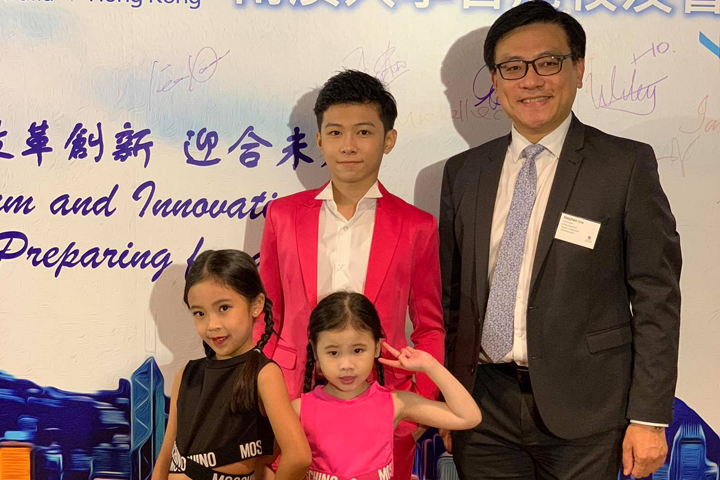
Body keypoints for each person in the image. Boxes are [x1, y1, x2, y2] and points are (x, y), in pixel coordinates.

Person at [439, 2, 682, 479]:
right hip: (481, 409)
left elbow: (657, 296)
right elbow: (451, 298)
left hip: (587, 410)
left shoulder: (624, 166)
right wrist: (449, 397)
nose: (531, 81)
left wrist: (649, 416)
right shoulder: (465, 172)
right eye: (513, 67)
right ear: (496, 81)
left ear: (579, 69)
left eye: (548, 63)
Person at [254, 69, 445, 479]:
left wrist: (417, 407)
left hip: (383, 398)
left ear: (388, 139)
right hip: (291, 398)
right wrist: (263, 391)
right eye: (336, 132)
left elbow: (430, 326)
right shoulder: (282, 216)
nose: (348, 145)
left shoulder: (417, 226)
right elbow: (265, 315)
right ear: (319, 139)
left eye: (363, 132)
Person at [152, 249, 311, 480]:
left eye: (224, 308)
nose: (212, 325)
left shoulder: (264, 374)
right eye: (199, 313)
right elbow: (166, 455)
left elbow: (298, 456)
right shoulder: (186, 373)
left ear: (256, 304)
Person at [294, 291, 481, 480]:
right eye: (333, 353)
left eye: (357, 350)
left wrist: (430, 365)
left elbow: (468, 417)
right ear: (315, 350)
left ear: (377, 347)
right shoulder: (300, 410)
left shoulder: (394, 403)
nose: (346, 365)